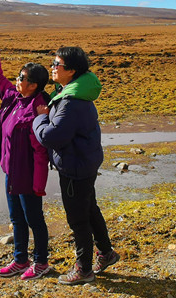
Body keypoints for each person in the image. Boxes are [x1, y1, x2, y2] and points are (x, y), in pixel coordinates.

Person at [32, 46, 119, 285]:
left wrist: (39, 118)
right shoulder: (74, 92)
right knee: (90, 209)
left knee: (78, 219)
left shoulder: (70, 101)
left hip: (75, 167)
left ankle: (84, 269)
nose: (52, 67)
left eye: (56, 64)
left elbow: (52, 136)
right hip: (84, 162)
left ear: (71, 70)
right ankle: (106, 253)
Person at [0, 39, 52, 280]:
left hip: (28, 175)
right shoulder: (14, 98)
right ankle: (20, 260)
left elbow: (41, 152)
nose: (17, 80)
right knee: (16, 219)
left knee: (34, 219)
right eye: (18, 76)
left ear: (33, 85)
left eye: (22, 78)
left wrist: (38, 184)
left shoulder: (39, 107)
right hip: (11, 172)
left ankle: (41, 262)